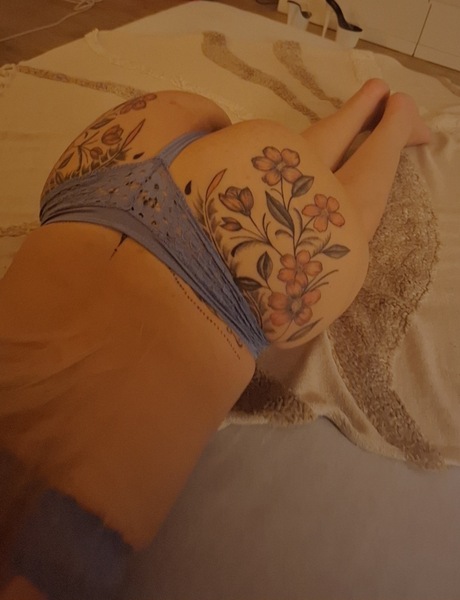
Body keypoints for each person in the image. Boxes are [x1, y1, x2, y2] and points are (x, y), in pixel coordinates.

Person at [0, 79, 430, 599]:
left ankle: (394, 120)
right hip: (107, 166)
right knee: (264, 180)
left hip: (204, 252)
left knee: (337, 222)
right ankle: (366, 101)